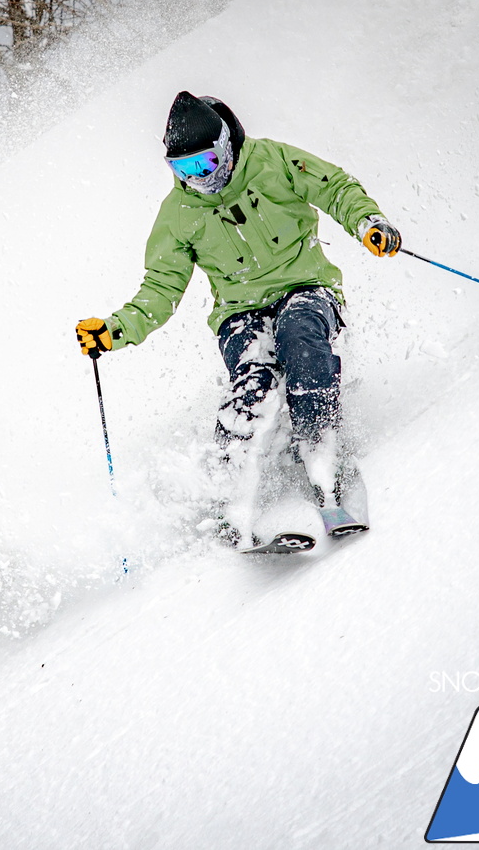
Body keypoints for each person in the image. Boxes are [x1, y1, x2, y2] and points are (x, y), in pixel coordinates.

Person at [75, 92, 400, 545]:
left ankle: (325, 463)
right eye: (184, 170)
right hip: (240, 312)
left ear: (226, 147)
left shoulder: (272, 161)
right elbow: (161, 288)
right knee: (254, 380)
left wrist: (368, 223)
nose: (198, 178)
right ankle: (237, 497)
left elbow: (334, 187)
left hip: (306, 289)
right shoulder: (178, 215)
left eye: (205, 163)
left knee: (300, 339)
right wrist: (114, 330)